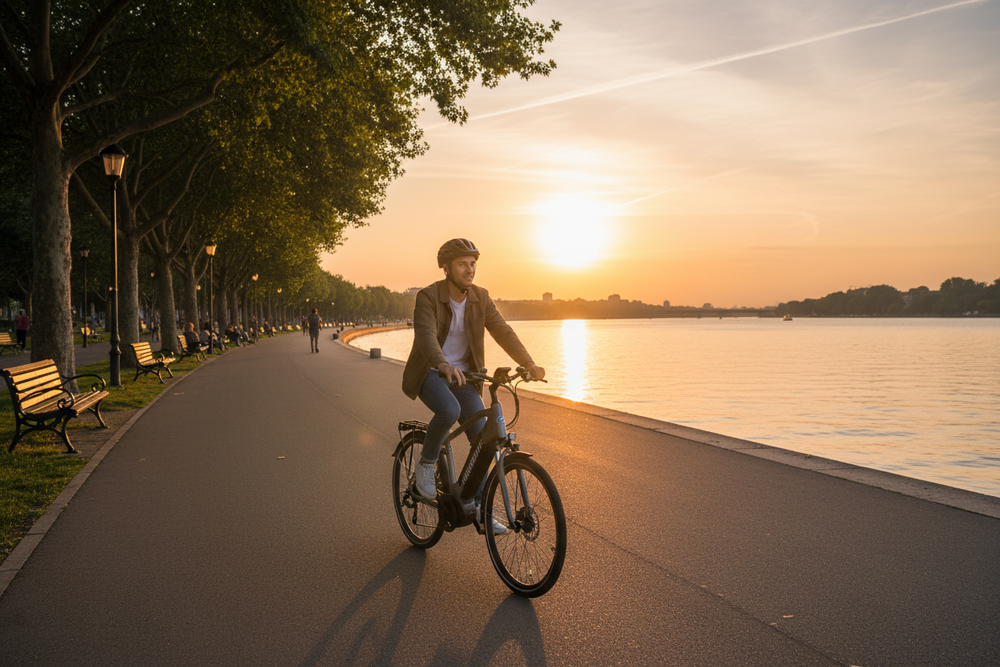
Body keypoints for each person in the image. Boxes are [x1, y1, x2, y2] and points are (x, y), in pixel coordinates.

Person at [402, 238, 545, 533]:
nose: (470, 270)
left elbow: (502, 330)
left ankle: (478, 508)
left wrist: (529, 364)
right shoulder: (427, 297)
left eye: (473, 264)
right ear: (446, 268)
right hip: (432, 372)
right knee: (449, 409)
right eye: (462, 264)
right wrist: (442, 363)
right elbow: (426, 335)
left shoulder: (481, 297)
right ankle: (426, 466)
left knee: (484, 440)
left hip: (466, 376)